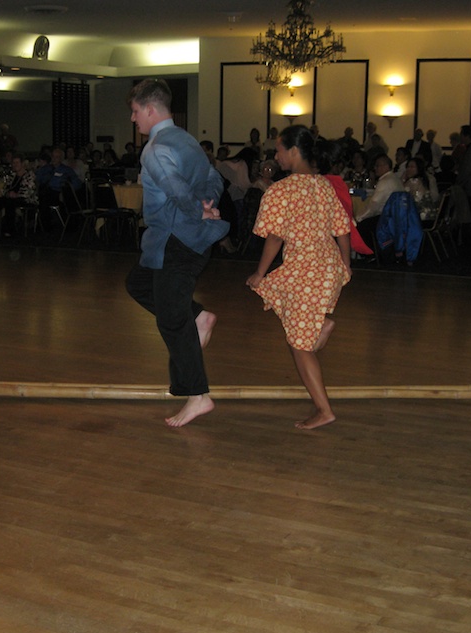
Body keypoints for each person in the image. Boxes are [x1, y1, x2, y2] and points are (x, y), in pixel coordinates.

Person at [124, 78, 229, 427]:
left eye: (136, 111)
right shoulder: (186, 140)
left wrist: (198, 209)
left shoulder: (154, 149)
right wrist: (208, 204)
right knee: (138, 283)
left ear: (151, 109)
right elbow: (214, 178)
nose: (133, 119)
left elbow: (175, 190)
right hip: (184, 241)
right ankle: (199, 316)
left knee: (171, 319)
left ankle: (198, 396)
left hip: (176, 242)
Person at [246, 124, 352, 430]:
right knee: (296, 329)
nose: (275, 156)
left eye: (278, 150)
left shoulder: (281, 190)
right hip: (326, 267)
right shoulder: (324, 186)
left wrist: (259, 272)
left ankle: (324, 410)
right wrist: (345, 265)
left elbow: (275, 237)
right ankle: (321, 324)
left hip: (306, 271)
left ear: (294, 151)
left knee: (300, 346)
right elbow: (341, 228)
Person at [0, 156, 38, 236]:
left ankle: (11, 229)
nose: (14, 165)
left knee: (10, 204)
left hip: (25, 199)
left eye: (17, 163)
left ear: (22, 164)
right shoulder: (12, 176)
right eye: (13, 163)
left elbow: (29, 191)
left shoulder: (29, 176)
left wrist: (17, 195)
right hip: (10, 198)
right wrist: (7, 193)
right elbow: (4, 189)